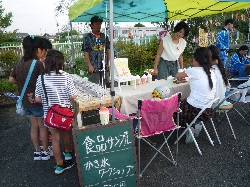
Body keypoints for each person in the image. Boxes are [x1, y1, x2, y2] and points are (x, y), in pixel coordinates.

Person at [35, 49, 77, 174]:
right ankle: (68, 153)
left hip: (50, 115)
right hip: (64, 114)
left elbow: (37, 98)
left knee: (55, 138)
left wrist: (50, 103)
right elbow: (73, 96)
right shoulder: (66, 76)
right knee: (66, 134)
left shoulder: (41, 78)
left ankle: (59, 164)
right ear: (60, 62)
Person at [9, 36, 51, 160]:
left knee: (33, 127)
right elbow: (45, 81)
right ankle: (45, 151)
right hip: (37, 101)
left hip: (25, 102)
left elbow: (11, 79)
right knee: (42, 127)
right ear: (38, 50)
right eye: (43, 51)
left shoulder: (18, 62)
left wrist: (22, 83)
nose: (44, 54)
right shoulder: (37, 63)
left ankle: (37, 152)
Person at [175, 47, 216, 143]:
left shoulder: (194, 70)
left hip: (193, 111)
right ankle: (194, 125)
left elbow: (178, 75)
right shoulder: (211, 72)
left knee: (174, 107)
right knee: (186, 98)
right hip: (207, 111)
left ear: (196, 60)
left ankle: (190, 127)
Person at [82, 15, 110, 86]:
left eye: (100, 24)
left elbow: (108, 49)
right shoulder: (87, 37)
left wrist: (108, 63)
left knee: (105, 84)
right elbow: (86, 51)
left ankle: (105, 97)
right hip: (94, 66)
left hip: (104, 65)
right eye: (97, 24)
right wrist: (89, 65)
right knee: (95, 85)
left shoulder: (104, 36)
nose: (99, 26)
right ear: (91, 25)